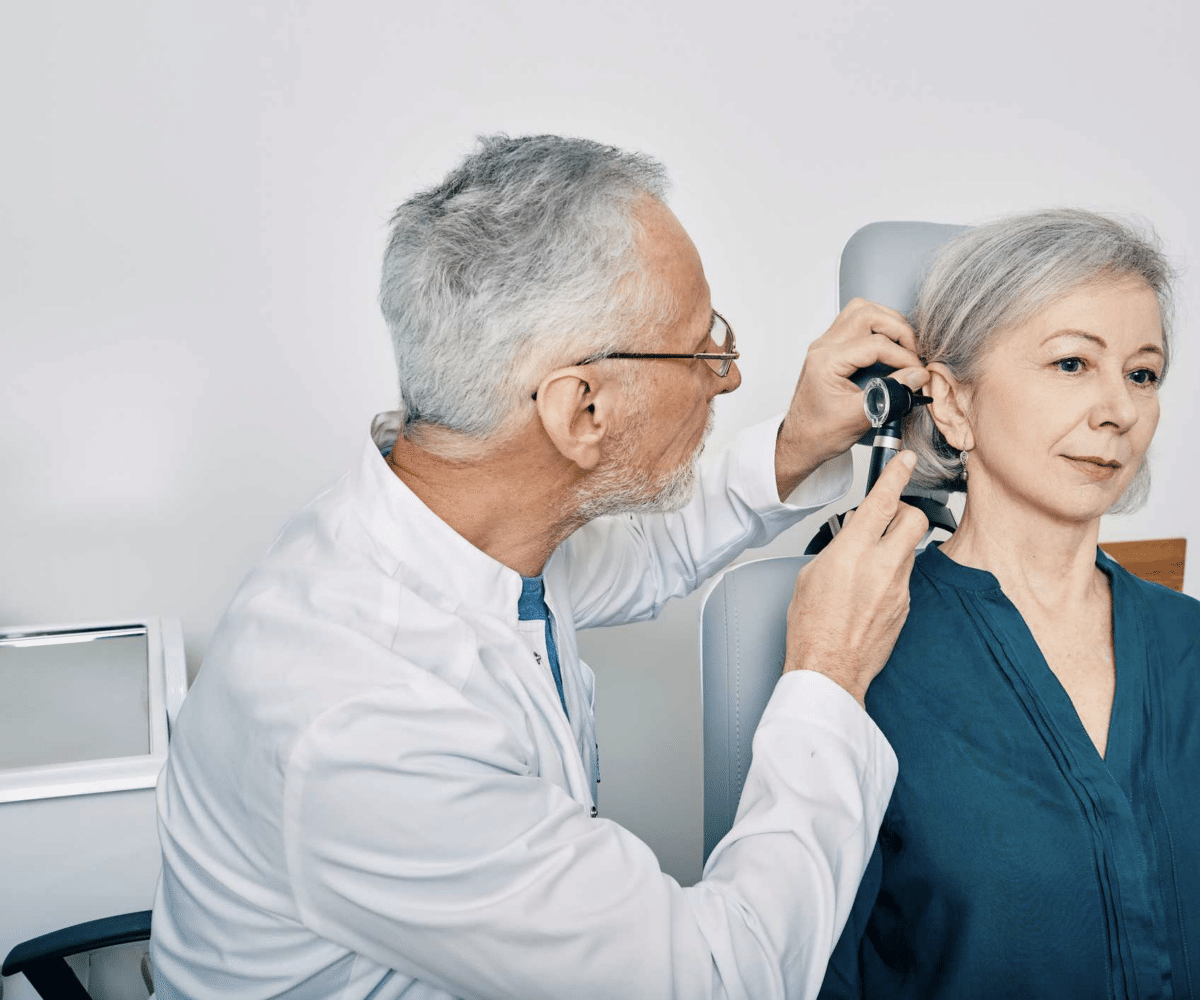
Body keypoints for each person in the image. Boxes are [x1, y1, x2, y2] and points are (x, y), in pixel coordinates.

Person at [149, 134, 934, 1000]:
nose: (730, 376)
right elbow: (719, 980)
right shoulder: (365, 719)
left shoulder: (447, 527)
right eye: (701, 348)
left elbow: (645, 551)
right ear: (580, 408)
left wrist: (794, 445)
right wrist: (827, 671)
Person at [819, 210, 1200, 999]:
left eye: (1142, 374)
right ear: (952, 403)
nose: (1118, 408)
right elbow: (817, 975)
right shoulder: (864, 651)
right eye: (1073, 364)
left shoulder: (1197, 646)